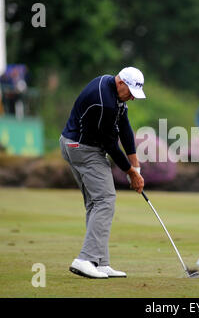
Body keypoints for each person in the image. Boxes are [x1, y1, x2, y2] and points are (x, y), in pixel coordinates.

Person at [59, 67, 145, 279]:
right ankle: (85, 259)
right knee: (106, 199)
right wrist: (131, 173)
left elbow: (124, 125)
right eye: (131, 93)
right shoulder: (104, 102)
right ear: (121, 83)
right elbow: (110, 144)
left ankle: (99, 261)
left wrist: (135, 164)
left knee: (96, 203)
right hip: (83, 149)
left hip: (74, 144)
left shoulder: (111, 88)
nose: (132, 99)